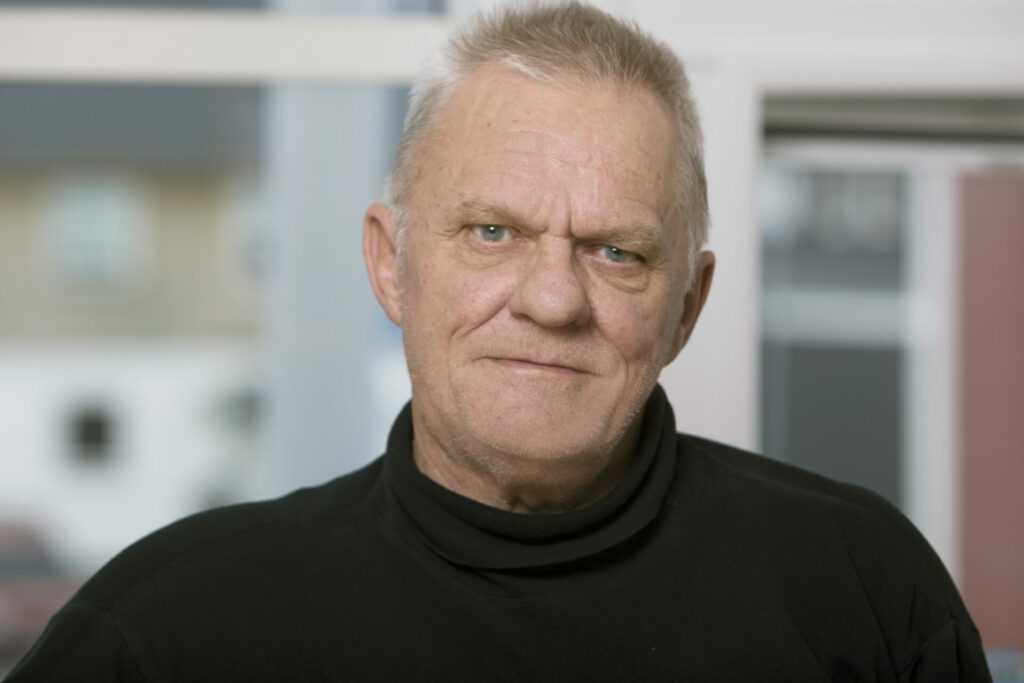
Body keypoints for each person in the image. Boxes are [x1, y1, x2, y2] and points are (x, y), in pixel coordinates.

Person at [7, 2, 991, 681]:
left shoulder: (858, 589)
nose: (553, 299)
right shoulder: (169, 628)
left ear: (686, 306)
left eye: (615, 250)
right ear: (390, 264)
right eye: (492, 231)